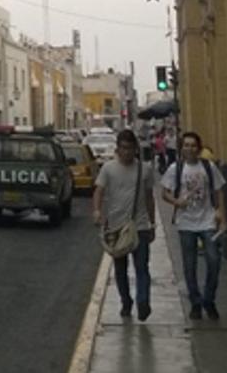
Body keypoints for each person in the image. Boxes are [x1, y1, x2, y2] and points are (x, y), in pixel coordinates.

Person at [158, 131, 225, 320]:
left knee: (214, 260)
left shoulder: (208, 166)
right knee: (189, 264)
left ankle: (209, 299)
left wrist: (221, 214)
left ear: (199, 148)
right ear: (181, 148)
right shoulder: (175, 168)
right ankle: (195, 302)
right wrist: (176, 202)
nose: (190, 148)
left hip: (208, 220)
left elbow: (219, 190)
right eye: (186, 145)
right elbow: (164, 193)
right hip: (185, 222)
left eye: (193, 145)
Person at [92, 129, 156, 320]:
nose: (127, 152)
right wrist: (97, 211)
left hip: (140, 226)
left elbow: (149, 197)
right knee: (120, 269)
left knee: (142, 267)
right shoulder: (108, 169)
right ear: (118, 149)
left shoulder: (145, 169)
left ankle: (143, 302)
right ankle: (126, 301)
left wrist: (153, 223)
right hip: (117, 227)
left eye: (130, 148)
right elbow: (99, 192)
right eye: (123, 148)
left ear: (135, 149)